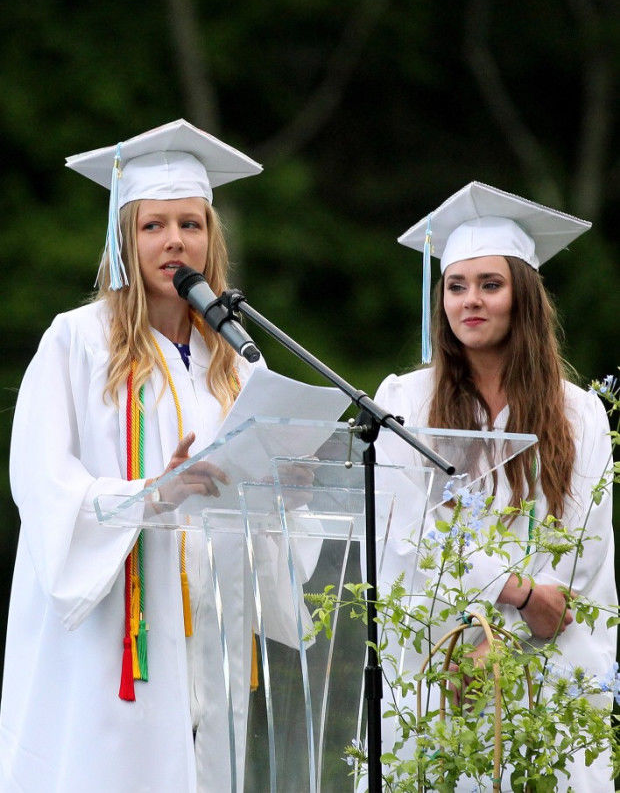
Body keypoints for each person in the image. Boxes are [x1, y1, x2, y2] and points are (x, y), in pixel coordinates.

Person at [0, 119, 314, 792]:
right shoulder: (77, 342)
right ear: (124, 239)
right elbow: (42, 482)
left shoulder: (231, 359)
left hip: (211, 627)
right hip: (116, 626)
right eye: (154, 225)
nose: (175, 239)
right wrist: (154, 492)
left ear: (211, 239)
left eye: (191, 224)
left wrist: (291, 487)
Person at [373, 182, 617, 791]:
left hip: (549, 659)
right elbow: (403, 532)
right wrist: (507, 593)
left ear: (523, 298)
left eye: (490, 285)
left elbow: (583, 553)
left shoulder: (579, 413)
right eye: (456, 286)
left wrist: (506, 640)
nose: (470, 302)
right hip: (440, 658)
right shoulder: (405, 401)